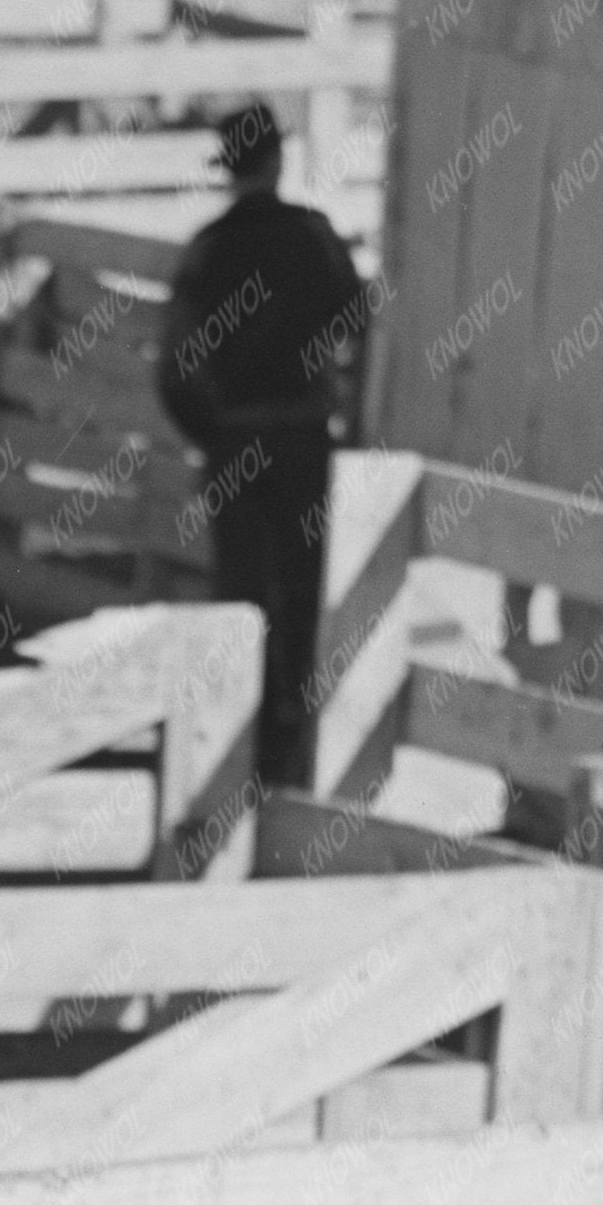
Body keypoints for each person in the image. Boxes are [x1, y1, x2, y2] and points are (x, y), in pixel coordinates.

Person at [157, 105, 369, 795]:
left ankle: (236, 752)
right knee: (307, 593)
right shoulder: (316, 238)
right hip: (306, 441)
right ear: (278, 160)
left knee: (241, 594)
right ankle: (298, 751)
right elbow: (360, 326)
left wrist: (215, 432)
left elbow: (175, 367)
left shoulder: (208, 250)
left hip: (238, 439)